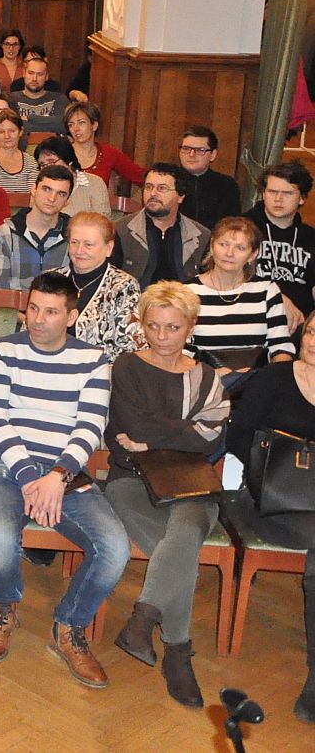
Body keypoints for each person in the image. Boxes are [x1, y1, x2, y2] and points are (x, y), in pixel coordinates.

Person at [0, 271, 127, 688]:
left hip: (66, 472)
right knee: (1, 541)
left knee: (114, 547)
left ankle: (69, 626)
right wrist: (30, 478)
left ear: (72, 316)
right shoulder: (2, 350)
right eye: (34, 309)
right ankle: (5, 606)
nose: (38, 319)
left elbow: (90, 425)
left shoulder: (93, 361)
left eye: (51, 312)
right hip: (4, 466)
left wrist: (57, 476)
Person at [104, 282, 229, 708]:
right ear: (141, 325)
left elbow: (211, 437)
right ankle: (177, 651)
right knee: (182, 550)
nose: (161, 336)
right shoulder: (126, 366)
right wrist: (178, 432)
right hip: (130, 480)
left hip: (192, 484)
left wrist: (153, 434)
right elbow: (131, 428)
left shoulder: (206, 376)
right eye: (153, 326)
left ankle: (143, 622)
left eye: (172, 327)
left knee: (185, 531)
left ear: (190, 328)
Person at [224, 323, 315, 722]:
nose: (312, 341)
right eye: (311, 332)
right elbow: (238, 437)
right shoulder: (274, 378)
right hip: (267, 500)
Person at [188, 216, 294, 386]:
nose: (229, 253)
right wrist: (213, 375)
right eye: (223, 244)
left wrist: (276, 381)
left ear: (253, 254)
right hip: (202, 383)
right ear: (212, 246)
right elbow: (181, 352)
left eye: (240, 248)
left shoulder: (267, 290)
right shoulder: (188, 291)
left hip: (256, 385)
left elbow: (280, 347)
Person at [117, 163, 212, 288]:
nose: (153, 193)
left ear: (180, 196)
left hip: (183, 303)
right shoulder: (121, 230)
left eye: (162, 188)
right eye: (149, 187)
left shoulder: (201, 235)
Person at [65, 212, 143, 360]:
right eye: (74, 242)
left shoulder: (124, 287)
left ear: (109, 248)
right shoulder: (51, 279)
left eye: (88, 244)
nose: (79, 251)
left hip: (99, 375)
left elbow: (129, 347)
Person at [248, 159, 314, 331]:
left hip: (298, 327)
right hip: (251, 318)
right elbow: (227, 277)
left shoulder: (310, 237)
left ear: (302, 198)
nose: (278, 199)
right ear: (263, 194)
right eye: (272, 191)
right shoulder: (241, 227)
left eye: (287, 193)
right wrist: (277, 298)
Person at [0, 163, 74, 291]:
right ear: (33, 189)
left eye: (61, 194)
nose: (52, 198)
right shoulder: (5, 234)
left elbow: (76, 287)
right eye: (46, 189)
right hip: (16, 310)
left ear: (67, 201)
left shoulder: (74, 237)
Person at [64, 101, 146, 192]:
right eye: (71, 125)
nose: (76, 129)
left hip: (98, 205)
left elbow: (140, 176)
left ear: (94, 125)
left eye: (81, 123)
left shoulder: (109, 153)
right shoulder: (62, 153)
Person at [174, 125, 240, 230]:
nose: (191, 154)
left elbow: (230, 227)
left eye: (200, 150)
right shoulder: (169, 181)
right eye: (186, 149)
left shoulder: (226, 186)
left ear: (213, 155)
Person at [10, 56, 70, 136]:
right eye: (31, 73)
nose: (34, 78)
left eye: (40, 74)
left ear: (46, 77)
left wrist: (29, 118)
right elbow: (10, 127)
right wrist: (50, 124)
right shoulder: (10, 99)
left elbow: (63, 125)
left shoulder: (60, 99)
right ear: (24, 73)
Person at [0, 109, 37, 193]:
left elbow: (32, 196)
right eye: (1, 132)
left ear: (21, 131)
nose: (7, 136)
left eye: (12, 131)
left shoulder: (30, 162)